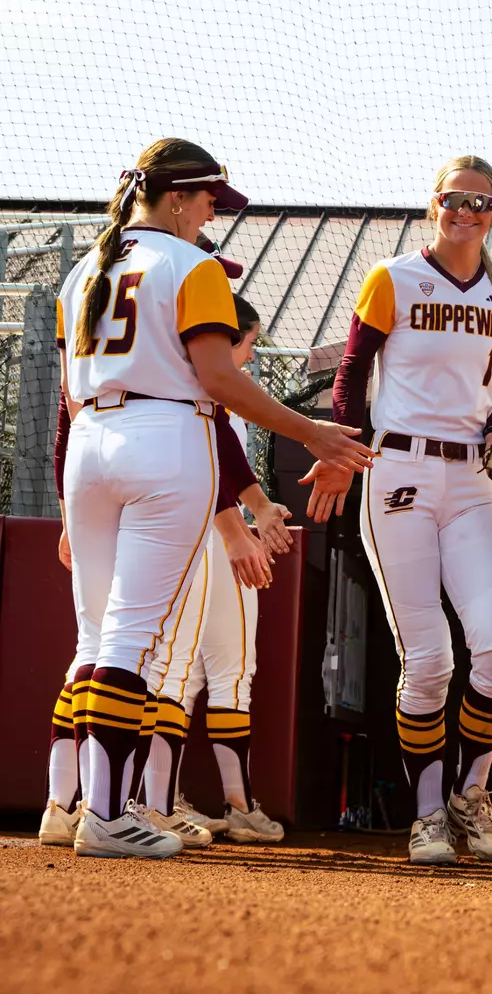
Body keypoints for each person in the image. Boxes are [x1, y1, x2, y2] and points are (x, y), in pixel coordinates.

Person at [54, 138, 372, 860]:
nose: (209, 217)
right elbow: (220, 379)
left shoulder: (82, 271)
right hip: (165, 437)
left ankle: (85, 808)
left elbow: (71, 396)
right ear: (174, 198)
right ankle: (109, 815)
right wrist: (311, 432)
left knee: (99, 638)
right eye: (206, 201)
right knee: (134, 637)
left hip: (90, 442)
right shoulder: (190, 266)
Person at [302, 156, 492, 865]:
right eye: (453, 199)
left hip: (470, 478)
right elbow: (351, 373)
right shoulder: (391, 276)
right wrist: (342, 452)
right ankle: (428, 812)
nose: (465, 212)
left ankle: (471, 795)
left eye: (481, 202)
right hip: (396, 468)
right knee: (430, 659)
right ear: (432, 204)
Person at [166, 294, 287, 845]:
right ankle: (235, 804)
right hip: (215, 544)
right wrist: (243, 526)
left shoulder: (175, 385)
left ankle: (157, 800)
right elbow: (214, 474)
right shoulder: (211, 394)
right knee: (226, 674)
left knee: (178, 672)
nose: (252, 352)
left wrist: (256, 510)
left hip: (187, 535)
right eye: (251, 340)